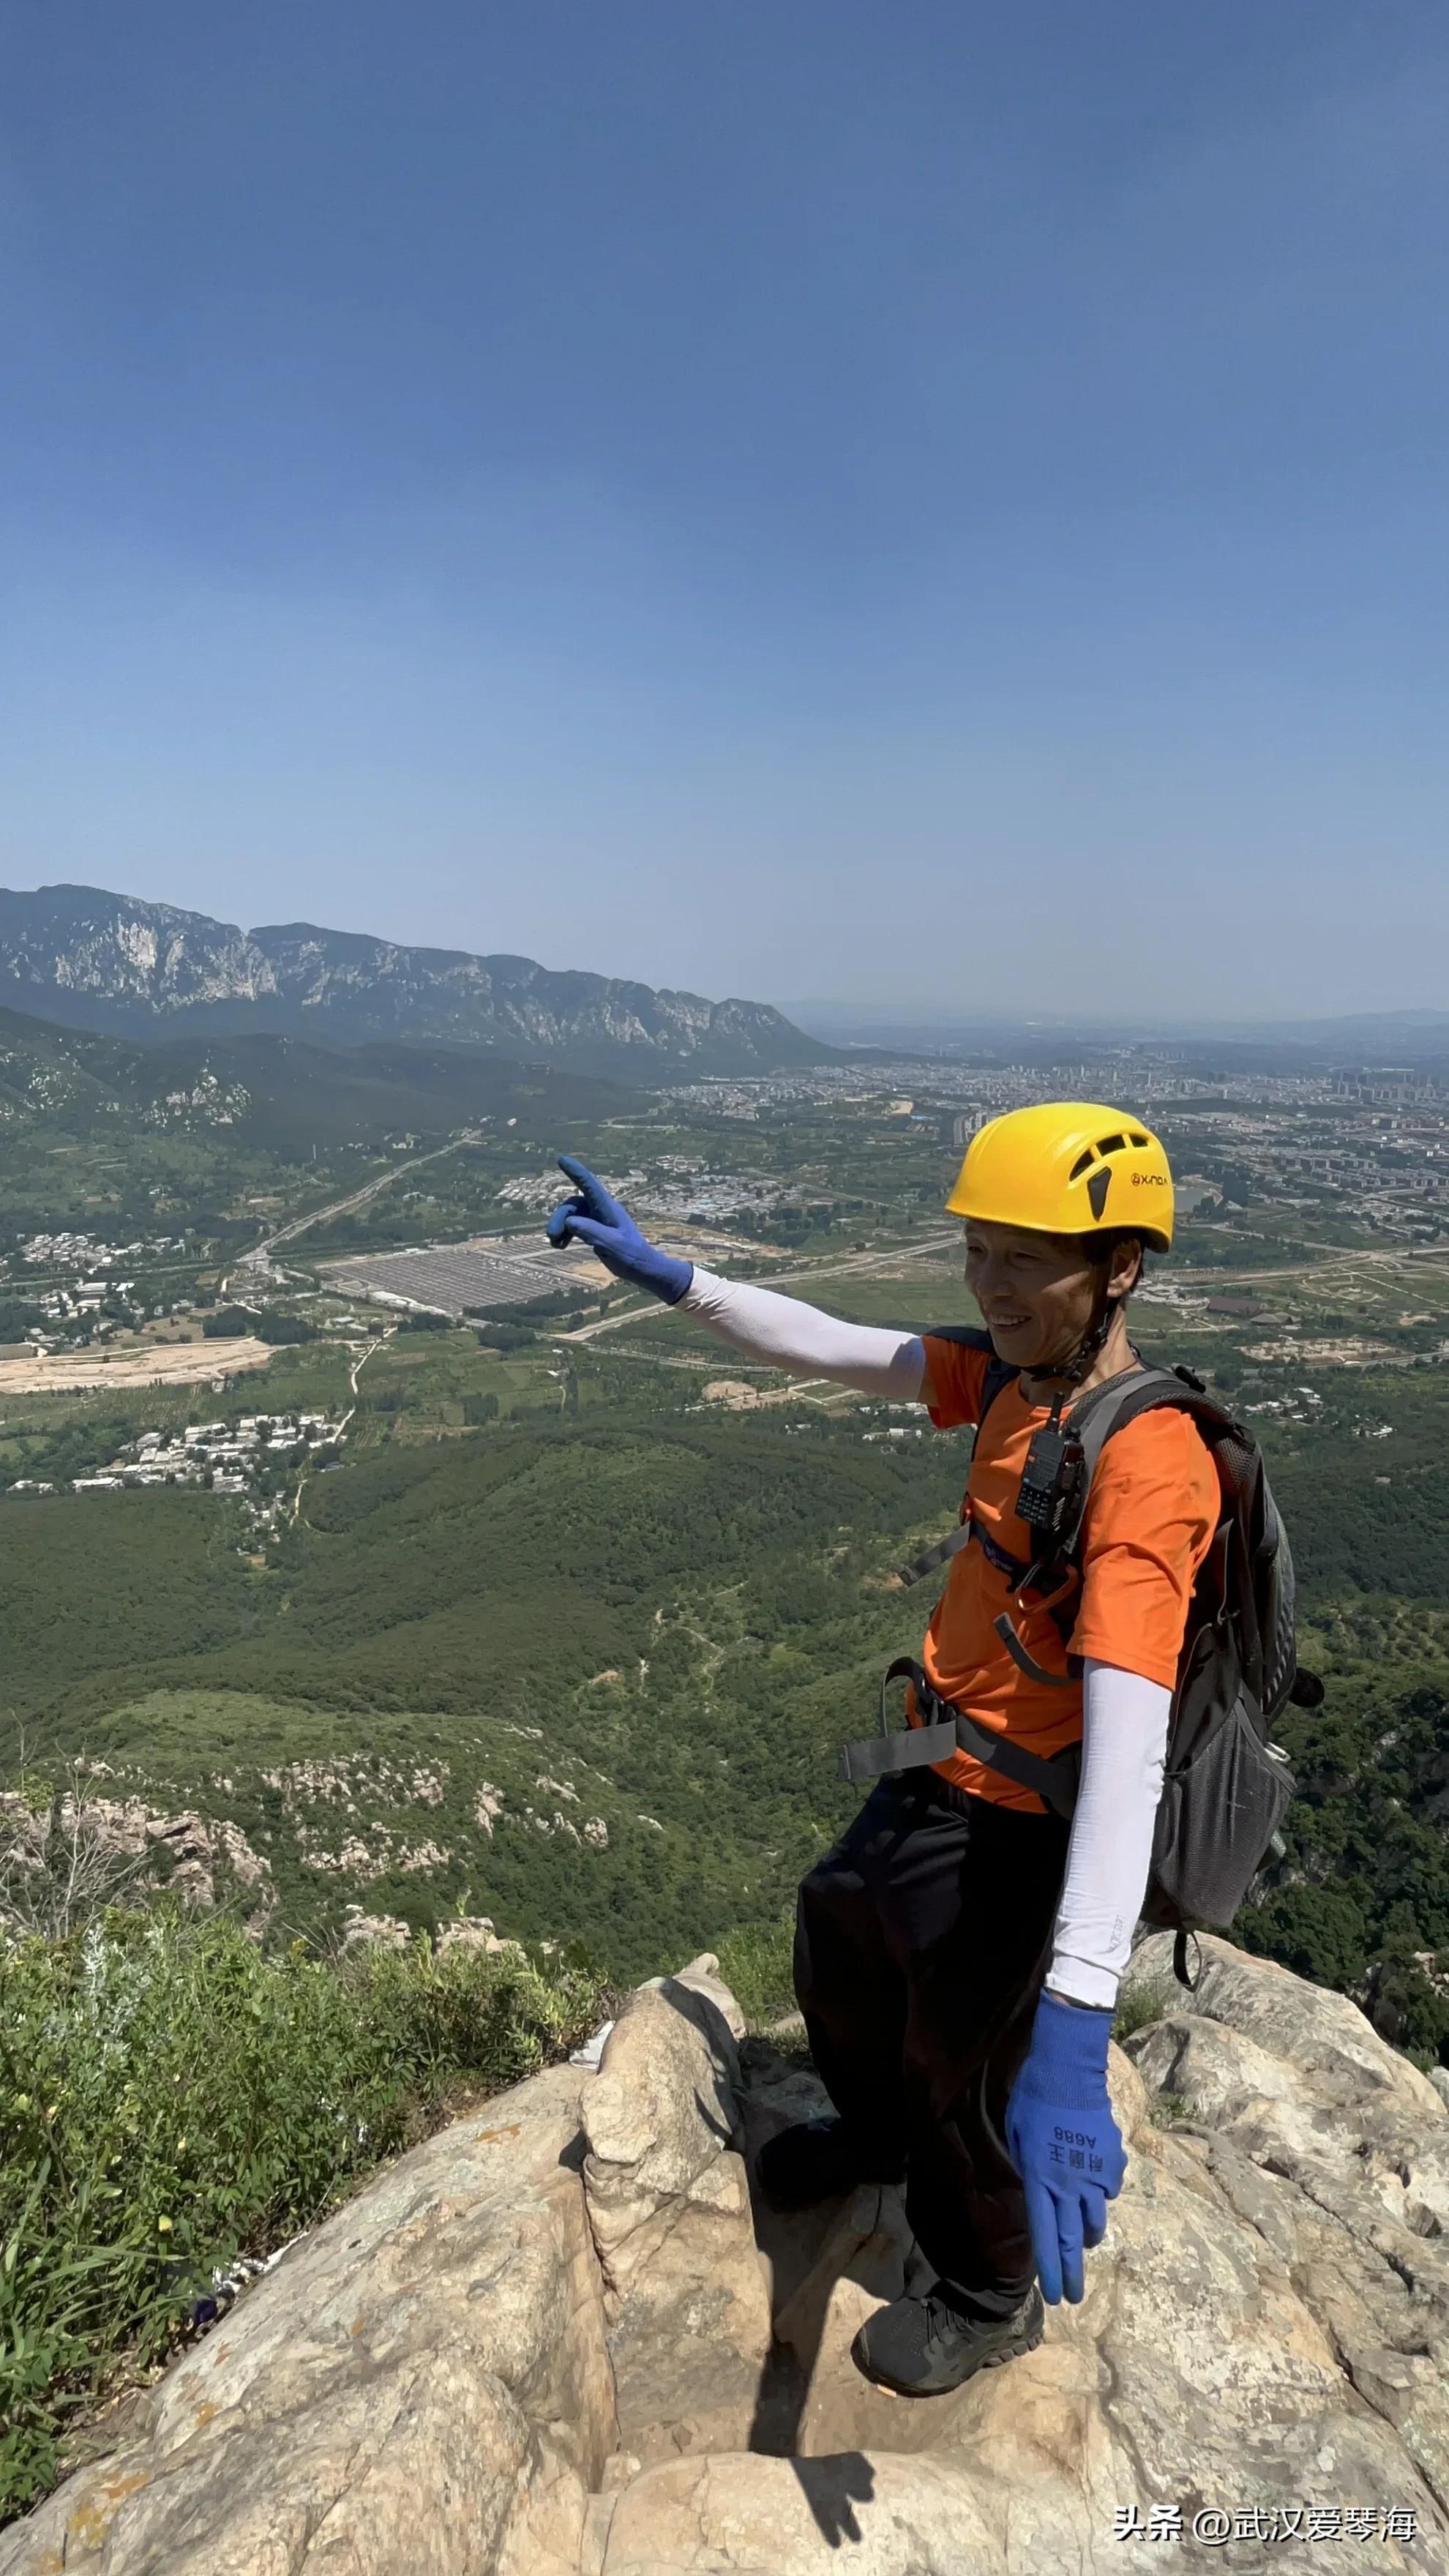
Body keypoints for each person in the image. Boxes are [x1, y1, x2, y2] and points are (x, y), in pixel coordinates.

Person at [546, 1104, 1218, 2397]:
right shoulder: (1019, 1380)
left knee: (973, 2066)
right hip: (939, 1766)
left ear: (1122, 1265)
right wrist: (676, 1279)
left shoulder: (1150, 1468)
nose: (991, 1284)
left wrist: (1080, 2030)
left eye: (1028, 1257)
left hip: (1033, 1818)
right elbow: (840, 1349)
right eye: (978, 1250)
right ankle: (877, 2137)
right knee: (840, 1930)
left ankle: (985, 2289)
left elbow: (1131, 1759)